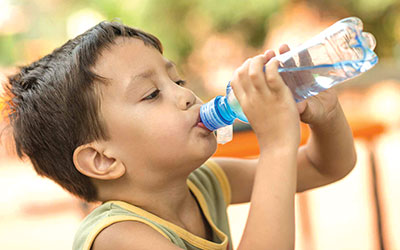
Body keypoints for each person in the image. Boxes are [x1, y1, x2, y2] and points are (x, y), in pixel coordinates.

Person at [2, 21, 356, 250]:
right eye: (152, 94)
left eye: (177, 81)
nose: (186, 95)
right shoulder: (119, 236)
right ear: (103, 159)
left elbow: (326, 166)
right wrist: (277, 145)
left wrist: (326, 116)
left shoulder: (203, 183)